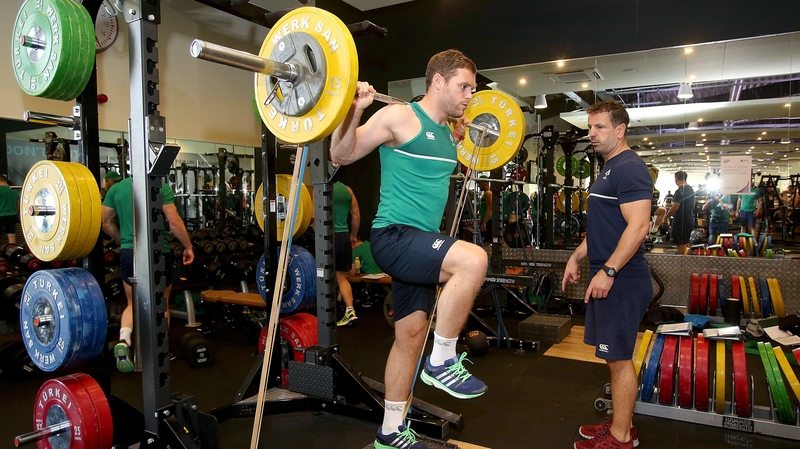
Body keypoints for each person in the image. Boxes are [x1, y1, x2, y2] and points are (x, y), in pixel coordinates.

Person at [330, 49, 488, 449]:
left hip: (420, 244)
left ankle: (390, 431)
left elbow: (438, 158)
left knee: (411, 335)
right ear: (438, 81)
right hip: (395, 236)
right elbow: (341, 154)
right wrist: (353, 110)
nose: (470, 94)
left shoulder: (448, 131)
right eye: (463, 86)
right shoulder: (399, 116)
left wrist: (458, 137)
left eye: (472, 87)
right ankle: (444, 359)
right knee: (473, 260)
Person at [562, 101, 652, 449]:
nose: (592, 134)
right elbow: (604, 227)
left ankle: (621, 439)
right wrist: (576, 257)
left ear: (620, 129)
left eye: (599, 127)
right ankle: (620, 423)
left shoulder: (629, 168)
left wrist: (609, 271)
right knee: (612, 357)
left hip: (623, 279)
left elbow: (639, 226)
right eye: (590, 127)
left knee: (618, 358)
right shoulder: (610, 168)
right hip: (609, 275)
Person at [102, 177, 195, 372]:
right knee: (161, 302)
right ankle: (160, 352)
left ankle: (125, 340)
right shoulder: (160, 186)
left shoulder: (116, 189)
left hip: (129, 251)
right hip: (157, 251)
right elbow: (174, 222)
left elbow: (105, 223)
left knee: (131, 304)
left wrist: (124, 241)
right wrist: (188, 246)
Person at [334, 181, 361, 326]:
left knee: (321, 274)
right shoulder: (347, 190)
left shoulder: (320, 186)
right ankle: (350, 310)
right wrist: (353, 236)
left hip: (326, 236)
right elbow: (356, 216)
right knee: (341, 276)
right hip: (344, 236)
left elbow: (313, 214)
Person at [664, 171, 695, 255]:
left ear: (676, 178)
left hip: (681, 219)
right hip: (688, 217)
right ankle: (686, 261)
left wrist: (666, 217)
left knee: (680, 242)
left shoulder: (679, 191)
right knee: (685, 241)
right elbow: (693, 205)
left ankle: (682, 264)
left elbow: (675, 207)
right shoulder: (691, 189)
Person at [647, 166, 666, 238]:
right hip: (644, 206)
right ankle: (654, 231)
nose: (657, 177)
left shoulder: (653, 187)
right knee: (662, 211)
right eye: (657, 174)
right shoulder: (648, 183)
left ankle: (653, 231)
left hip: (648, 205)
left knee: (662, 210)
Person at [0, 175, 20, 245]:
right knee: (11, 236)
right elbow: (17, 205)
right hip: (12, 215)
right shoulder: (14, 190)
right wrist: (15, 212)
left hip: (1, 215)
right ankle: (12, 251)